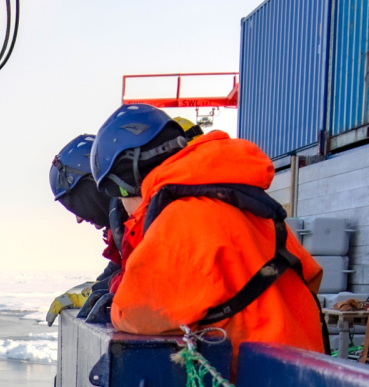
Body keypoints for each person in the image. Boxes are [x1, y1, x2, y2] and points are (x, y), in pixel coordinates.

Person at [91, 103, 324, 372]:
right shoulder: (249, 205)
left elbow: (139, 313)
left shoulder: (181, 220)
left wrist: (113, 303)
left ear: (127, 175)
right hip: (309, 378)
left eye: (113, 189)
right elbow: (311, 277)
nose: (120, 205)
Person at [47, 133, 121, 324]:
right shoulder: (124, 223)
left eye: (77, 205)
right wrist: (98, 286)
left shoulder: (140, 215)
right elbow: (123, 265)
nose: (79, 219)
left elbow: (143, 277)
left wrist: (97, 291)